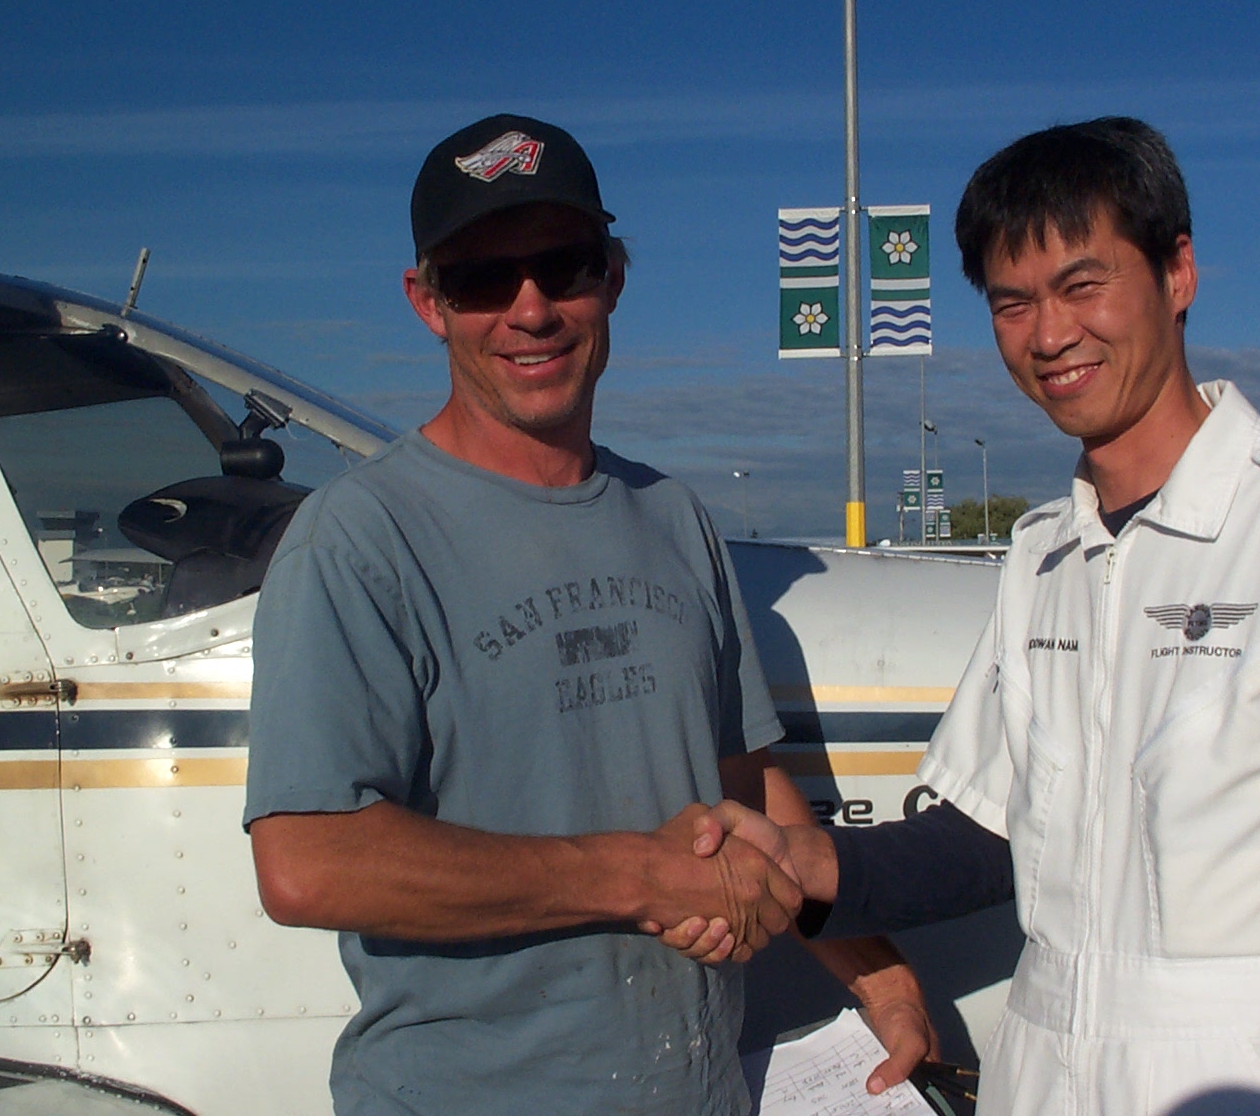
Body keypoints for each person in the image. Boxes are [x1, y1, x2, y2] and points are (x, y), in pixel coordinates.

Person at [682, 117, 1260, 1116]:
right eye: (1010, 302)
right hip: (1048, 1075)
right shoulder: (1040, 556)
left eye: (1082, 283)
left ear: (1177, 271)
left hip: (1250, 1081)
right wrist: (810, 862)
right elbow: (986, 834)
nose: (1048, 334)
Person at [243, 113, 930, 1116]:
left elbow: (744, 792)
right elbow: (306, 862)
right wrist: (638, 876)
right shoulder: (357, 538)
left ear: (610, 275)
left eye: (561, 266)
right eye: (482, 279)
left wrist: (877, 974)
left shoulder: (673, 517)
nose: (529, 310)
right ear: (426, 302)